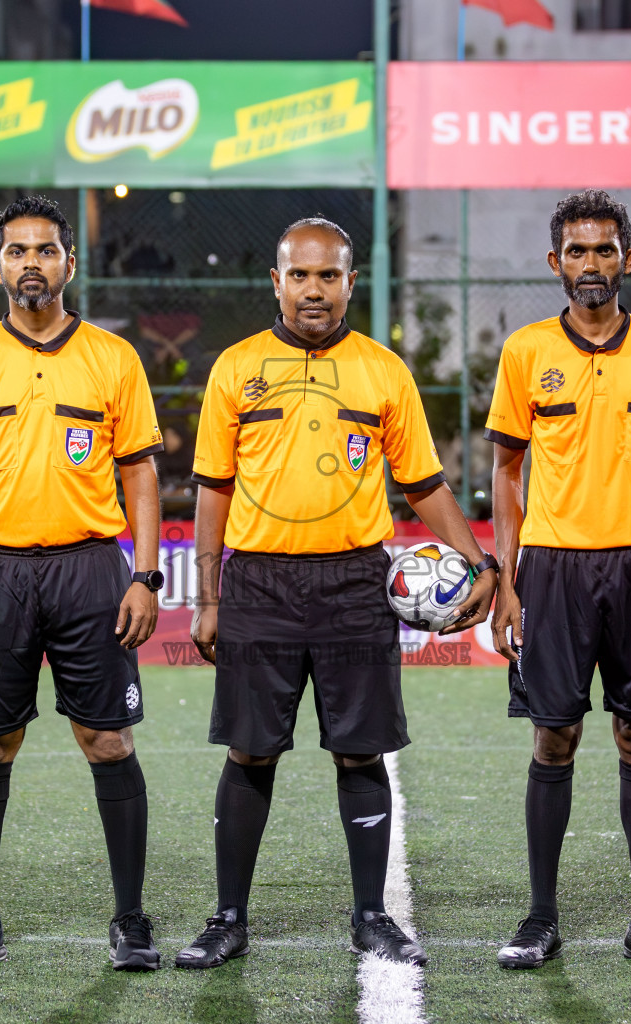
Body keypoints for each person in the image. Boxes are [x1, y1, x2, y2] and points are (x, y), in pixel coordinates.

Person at [176, 217, 497, 970]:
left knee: (360, 753)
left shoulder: (383, 371)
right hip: (258, 581)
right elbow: (212, 491)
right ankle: (228, 917)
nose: (314, 289)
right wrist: (209, 595)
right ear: (276, 282)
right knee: (251, 751)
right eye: (300, 275)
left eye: (329, 275)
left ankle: (371, 915)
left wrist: (480, 561)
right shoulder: (236, 368)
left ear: (351, 282)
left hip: (356, 581)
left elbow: (424, 484)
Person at [0, 196, 166, 973]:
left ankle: (130, 919)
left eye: (47, 250)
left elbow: (142, 472)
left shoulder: (113, 358)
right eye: (18, 251)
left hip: (90, 567)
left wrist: (146, 574)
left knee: (107, 739)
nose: (33, 262)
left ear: (68, 262)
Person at [486, 190, 631, 972]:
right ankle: (541, 916)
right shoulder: (526, 352)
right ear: (555, 264)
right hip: (552, 566)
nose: (591, 265)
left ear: (628, 259)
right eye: (576, 252)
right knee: (556, 735)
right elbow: (506, 471)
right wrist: (506, 577)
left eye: (605, 250)